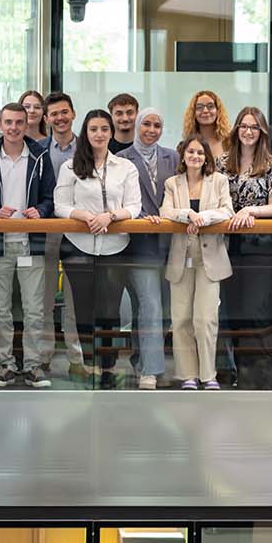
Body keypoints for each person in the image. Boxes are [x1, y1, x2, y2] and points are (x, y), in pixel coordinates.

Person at [54, 110, 141, 388]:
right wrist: (85, 216)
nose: (99, 134)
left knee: (109, 309)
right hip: (78, 246)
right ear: (86, 132)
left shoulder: (125, 167)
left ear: (111, 133)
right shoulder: (70, 167)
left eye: (105, 129)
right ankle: (89, 363)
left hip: (116, 247)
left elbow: (135, 207)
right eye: (94, 129)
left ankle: (108, 365)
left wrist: (111, 217)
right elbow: (61, 206)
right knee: (83, 308)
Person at [0, 103, 56, 388]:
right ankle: (6, 364)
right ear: (0, 124)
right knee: (0, 309)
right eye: (8, 122)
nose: (14, 128)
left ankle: (33, 366)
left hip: (31, 245)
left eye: (19, 122)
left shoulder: (40, 157)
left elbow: (50, 198)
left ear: (26, 123)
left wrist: (41, 211)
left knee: (34, 309)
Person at [217, 106, 272, 387]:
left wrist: (249, 212)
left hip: (259, 245)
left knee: (255, 307)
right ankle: (233, 368)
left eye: (254, 127)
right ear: (236, 129)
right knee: (231, 307)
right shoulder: (222, 163)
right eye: (244, 126)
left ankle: (253, 370)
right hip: (227, 244)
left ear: (262, 132)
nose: (248, 131)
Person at [161, 135, 233, 390]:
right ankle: (187, 375)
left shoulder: (219, 181)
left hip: (209, 260)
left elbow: (227, 211)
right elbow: (165, 212)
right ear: (183, 155)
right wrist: (186, 214)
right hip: (181, 259)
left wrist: (203, 217)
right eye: (191, 152)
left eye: (200, 153)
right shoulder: (172, 183)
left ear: (206, 158)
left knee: (205, 319)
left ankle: (208, 375)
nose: (195, 157)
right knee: (180, 319)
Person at [114, 108, 173, 389]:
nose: (151, 129)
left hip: (169, 245)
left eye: (157, 125)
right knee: (150, 305)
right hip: (137, 245)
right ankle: (150, 370)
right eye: (146, 124)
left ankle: (141, 360)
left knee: (162, 308)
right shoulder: (122, 159)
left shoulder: (172, 157)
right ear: (137, 125)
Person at [44, 91, 86, 378]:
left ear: (72, 114)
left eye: (64, 112)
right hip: (45, 228)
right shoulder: (35, 148)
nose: (59, 118)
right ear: (46, 119)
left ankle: (77, 359)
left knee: (74, 298)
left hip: (77, 230)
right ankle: (43, 357)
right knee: (43, 296)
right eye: (54, 114)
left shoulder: (87, 148)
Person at [181, 90, 230, 163]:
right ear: (193, 113)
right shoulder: (186, 145)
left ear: (218, 111)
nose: (205, 110)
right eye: (199, 107)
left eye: (210, 106)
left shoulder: (229, 142)